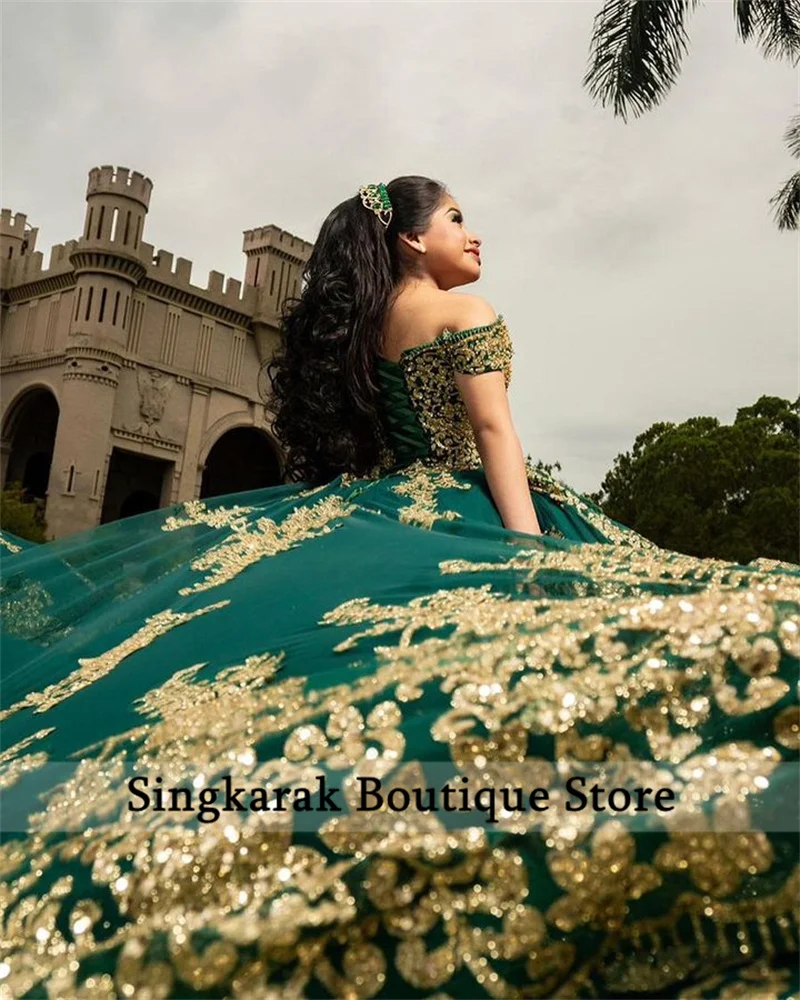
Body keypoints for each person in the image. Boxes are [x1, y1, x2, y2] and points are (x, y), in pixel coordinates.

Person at [0, 176, 797, 1000]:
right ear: (412, 240)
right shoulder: (467, 317)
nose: (474, 233)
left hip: (379, 517)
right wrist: (531, 556)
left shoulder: (360, 335)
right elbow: (493, 433)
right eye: (457, 218)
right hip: (474, 512)